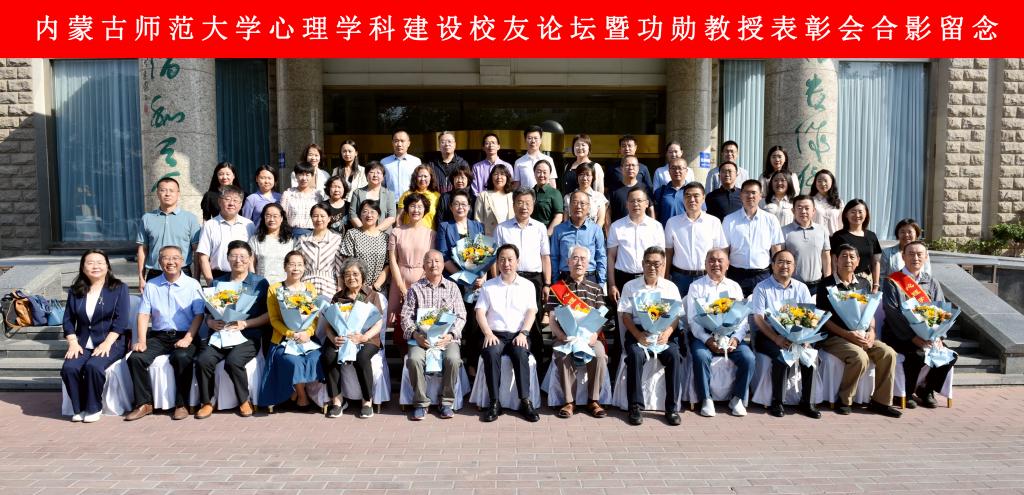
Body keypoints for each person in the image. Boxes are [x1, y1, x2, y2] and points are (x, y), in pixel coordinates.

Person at [816, 244, 901, 417]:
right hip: (835, 337)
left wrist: (872, 332)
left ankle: (881, 402)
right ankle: (844, 400)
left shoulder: (864, 283)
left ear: (858, 261)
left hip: (862, 335)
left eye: (852, 257)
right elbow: (824, 319)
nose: (848, 260)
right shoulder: (826, 284)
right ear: (835, 260)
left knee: (889, 353)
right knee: (859, 357)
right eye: (844, 256)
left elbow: (870, 312)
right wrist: (847, 334)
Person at [124, 246, 204, 421]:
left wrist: (188, 338)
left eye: (175, 258)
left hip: (185, 334)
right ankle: (144, 404)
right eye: (166, 258)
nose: (171, 262)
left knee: (181, 357)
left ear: (182, 261)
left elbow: (199, 315)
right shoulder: (152, 285)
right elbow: (143, 314)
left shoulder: (193, 285)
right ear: (159, 262)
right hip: (159, 336)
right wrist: (142, 340)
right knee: (136, 358)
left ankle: (182, 404)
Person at [194, 241, 269, 419]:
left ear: (250, 259)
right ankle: (207, 402)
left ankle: (244, 400)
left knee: (234, 361)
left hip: (247, 335)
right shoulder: (218, 282)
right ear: (227, 258)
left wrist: (246, 324)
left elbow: (268, 316)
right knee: (203, 360)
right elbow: (208, 312)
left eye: (242, 256)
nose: (238, 260)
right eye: (234, 256)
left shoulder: (259, 283)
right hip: (221, 334)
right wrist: (210, 323)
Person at [882, 241, 956, 409]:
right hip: (898, 334)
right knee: (917, 355)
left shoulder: (932, 282)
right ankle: (905, 393)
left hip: (929, 335)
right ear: (903, 256)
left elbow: (941, 311)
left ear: (926, 257)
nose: (915, 258)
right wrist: (912, 337)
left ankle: (926, 389)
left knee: (948, 356)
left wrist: (938, 336)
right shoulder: (892, 281)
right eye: (911, 254)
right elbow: (893, 313)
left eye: (919, 254)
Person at [61, 250, 131, 423]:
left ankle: (94, 408)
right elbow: (68, 320)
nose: (95, 266)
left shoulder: (119, 288)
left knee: (94, 366)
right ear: (83, 267)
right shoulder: (75, 290)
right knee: (69, 368)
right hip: (82, 342)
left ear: (107, 266)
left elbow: (121, 320)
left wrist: (107, 343)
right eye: (90, 262)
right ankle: (79, 408)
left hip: (111, 341)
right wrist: (73, 343)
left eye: (100, 262)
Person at [750, 250, 821, 419]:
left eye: (789, 263)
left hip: (798, 336)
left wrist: (805, 339)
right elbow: (758, 318)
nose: (785, 266)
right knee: (782, 357)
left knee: (810, 359)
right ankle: (777, 401)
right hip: (768, 336)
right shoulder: (762, 288)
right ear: (772, 265)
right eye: (780, 262)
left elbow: (809, 316)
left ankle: (807, 402)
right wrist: (776, 338)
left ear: (794, 267)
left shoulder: (801, 288)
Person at [619, 246, 685, 426]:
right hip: (639, 331)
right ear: (642, 264)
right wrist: (638, 334)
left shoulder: (670, 287)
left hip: (664, 332)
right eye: (648, 262)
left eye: (657, 263)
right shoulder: (630, 286)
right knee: (635, 355)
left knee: (674, 356)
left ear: (663, 265)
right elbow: (626, 316)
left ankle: (671, 408)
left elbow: (677, 315)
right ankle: (635, 407)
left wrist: (668, 332)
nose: (652, 267)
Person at [686, 248, 755, 418]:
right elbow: (693, 320)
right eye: (711, 260)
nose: (716, 264)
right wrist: (707, 340)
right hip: (704, 336)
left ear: (728, 264)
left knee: (748, 358)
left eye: (720, 260)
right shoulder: (696, 287)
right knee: (701, 356)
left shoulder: (734, 286)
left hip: (731, 336)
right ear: (705, 264)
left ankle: (737, 398)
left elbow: (742, 319)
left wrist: (736, 339)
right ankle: (706, 399)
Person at [475, 244, 540, 423]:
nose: (506, 264)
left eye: (510, 259)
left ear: (517, 261)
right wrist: (488, 333)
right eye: (502, 259)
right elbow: (480, 312)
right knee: (491, 352)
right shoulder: (488, 286)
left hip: (518, 334)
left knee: (520, 353)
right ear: (497, 262)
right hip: (495, 334)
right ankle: (494, 403)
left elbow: (531, 312)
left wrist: (524, 333)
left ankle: (525, 401)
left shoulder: (528, 285)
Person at [401, 250, 467, 420]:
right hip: (421, 339)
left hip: (447, 339)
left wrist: (451, 335)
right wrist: (415, 335)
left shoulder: (452, 288)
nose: (433, 265)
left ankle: (446, 403)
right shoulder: (415, 288)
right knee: (414, 360)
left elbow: (461, 315)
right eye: (429, 261)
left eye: (437, 261)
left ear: (443, 265)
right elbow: (406, 316)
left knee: (453, 359)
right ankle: (420, 403)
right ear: (423, 266)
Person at [318, 258, 386, 419]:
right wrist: (333, 338)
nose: (351, 278)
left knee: (362, 358)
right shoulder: (338, 297)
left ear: (363, 276)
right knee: (328, 356)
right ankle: (337, 401)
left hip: (367, 339)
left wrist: (364, 337)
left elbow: (378, 323)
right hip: (341, 338)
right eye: (347, 274)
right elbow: (328, 324)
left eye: (355, 274)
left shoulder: (372, 295)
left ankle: (367, 401)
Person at [548, 245, 609, 419]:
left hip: (590, 338)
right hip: (567, 337)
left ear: (588, 263)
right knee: (563, 355)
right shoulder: (557, 289)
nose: (579, 262)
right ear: (568, 262)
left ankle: (593, 400)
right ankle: (569, 402)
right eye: (575, 258)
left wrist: (595, 334)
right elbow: (552, 319)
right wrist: (561, 336)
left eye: (583, 259)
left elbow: (601, 317)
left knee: (599, 354)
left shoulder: (596, 289)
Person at [494, 188, 552, 363]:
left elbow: (545, 256)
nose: (524, 207)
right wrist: (496, 281)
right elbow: (495, 259)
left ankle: (536, 363)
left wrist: (547, 283)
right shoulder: (502, 228)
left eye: (527, 203)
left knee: (534, 322)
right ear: (513, 205)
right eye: (520, 202)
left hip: (534, 279)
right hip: (509, 278)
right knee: (511, 317)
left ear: (533, 205)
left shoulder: (540, 227)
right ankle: (514, 357)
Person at [260, 251, 321, 411]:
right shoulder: (275, 289)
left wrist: (308, 333)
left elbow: (314, 318)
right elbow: (274, 319)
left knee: (315, 358)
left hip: (306, 338)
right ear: (285, 267)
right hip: (283, 339)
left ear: (305, 268)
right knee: (294, 361)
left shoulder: (310, 288)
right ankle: (301, 395)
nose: (296, 268)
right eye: (292, 264)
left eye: (300, 265)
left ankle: (295, 392)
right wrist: (291, 334)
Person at [438, 189, 486, 375]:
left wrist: (482, 276)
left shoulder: (478, 226)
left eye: (464, 204)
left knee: (474, 324)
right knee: (455, 322)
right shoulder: (445, 227)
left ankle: (472, 363)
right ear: (451, 207)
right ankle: (454, 363)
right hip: (454, 282)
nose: (460, 207)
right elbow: (444, 256)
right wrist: (465, 277)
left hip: (475, 284)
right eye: (456, 204)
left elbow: (485, 255)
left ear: (469, 207)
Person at [387, 193, 437, 342]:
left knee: (422, 321)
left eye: (420, 207)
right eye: (413, 206)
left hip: (423, 281)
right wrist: (401, 287)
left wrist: (419, 286)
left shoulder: (431, 234)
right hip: (400, 279)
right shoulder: (396, 232)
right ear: (407, 209)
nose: (416, 210)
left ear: (425, 210)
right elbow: (393, 260)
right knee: (398, 323)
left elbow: (431, 262)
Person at [664, 182, 728, 297]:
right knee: (678, 308)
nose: (692, 199)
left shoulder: (714, 222)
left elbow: (721, 252)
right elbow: (668, 252)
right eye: (688, 196)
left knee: (707, 308)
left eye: (696, 196)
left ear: (703, 198)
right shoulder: (672, 222)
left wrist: (722, 277)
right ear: (683, 199)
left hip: (706, 277)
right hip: (679, 278)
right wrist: (665, 277)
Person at [136, 177, 200, 290]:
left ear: (178, 193)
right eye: (163, 190)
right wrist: (141, 278)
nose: (167, 194)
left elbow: (197, 251)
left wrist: (196, 278)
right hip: (155, 273)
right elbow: (142, 250)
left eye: (171, 190)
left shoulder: (190, 218)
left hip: (182, 272)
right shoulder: (147, 218)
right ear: (157, 193)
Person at [722, 180, 784, 297]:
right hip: (736, 275)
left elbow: (776, 250)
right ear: (741, 195)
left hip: (763, 276)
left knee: (763, 307)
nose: (750, 196)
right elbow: (724, 251)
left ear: (760, 196)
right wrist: (723, 277)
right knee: (735, 307)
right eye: (746, 192)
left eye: (754, 193)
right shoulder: (729, 220)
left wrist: (777, 275)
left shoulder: (771, 220)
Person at [608, 187, 666, 306]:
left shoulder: (656, 227)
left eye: (639, 201)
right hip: (622, 279)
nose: (636, 204)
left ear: (646, 203)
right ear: (626, 204)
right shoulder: (616, 226)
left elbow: (662, 258)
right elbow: (611, 257)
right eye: (632, 201)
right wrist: (612, 284)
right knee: (623, 314)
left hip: (648, 278)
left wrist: (660, 283)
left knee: (649, 314)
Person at [196, 185, 257, 285]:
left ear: (241, 204)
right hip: (218, 277)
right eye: (227, 199)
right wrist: (210, 282)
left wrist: (252, 279)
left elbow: (252, 256)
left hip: (244, 277)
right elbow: (203, 256)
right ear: (219, 201)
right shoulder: (210, 225)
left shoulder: (249, 225)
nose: (231, 203)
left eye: (235, 200)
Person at [550, 191, 607, 286]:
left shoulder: (596, 229)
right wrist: (555, 281)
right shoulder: (558, 230)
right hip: (565, 279)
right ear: (569, 206)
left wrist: (601, 282)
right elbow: (554, 257)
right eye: (575, 202)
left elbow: (601, 256)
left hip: (589, 278)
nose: (578, 206)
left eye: (582, 203)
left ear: (588, 207)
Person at [782, 195, 832, 296]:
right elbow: (780, 259)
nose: (803, 211)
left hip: (817, 286)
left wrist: (828, 282)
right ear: (793, 211)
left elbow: (826, 257)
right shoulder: (784, 231)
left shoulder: (822, 230)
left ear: (813, 211)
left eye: (807, 208)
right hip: (792, 286)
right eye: (799, 208)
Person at [830, 199, 883, 293]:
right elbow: (834, 261)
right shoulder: (838, 236)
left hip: (866, 281)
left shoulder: (871, 236)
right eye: (853, 212)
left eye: (860, 212)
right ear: (846, 214)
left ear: (866, 214)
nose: (857, 215)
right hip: (844, 281)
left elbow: (876, 262)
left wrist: (876, 285)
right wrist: (835, 281)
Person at [294, 203, 345, 298]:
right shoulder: (302, 240)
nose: (319, 219)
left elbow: (339, 268)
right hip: (306, 286)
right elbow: (296, 265)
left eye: (322, 216)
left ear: (329, 218)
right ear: (311, 218)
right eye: (315, 216)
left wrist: (340, 289)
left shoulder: (336, 240)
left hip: (329, 287)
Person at [341, 200, 390, 293]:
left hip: (378, 289)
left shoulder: (385, 237)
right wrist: (361, 286)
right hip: (356, 288)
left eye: (373, 212)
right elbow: (347, 262)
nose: (369, 215)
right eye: (365, 211)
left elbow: (387, 264)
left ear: (378, 215)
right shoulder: (352, 234)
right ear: (360, 215)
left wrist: (376, 285)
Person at [249, 203, 294, 286]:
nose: (271, 219)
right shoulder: (255, 240)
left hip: (283, 286)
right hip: (261, 285)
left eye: (275, 216)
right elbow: (251, 264)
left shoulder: (290, 241)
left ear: (281, 218)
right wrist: (253, 282)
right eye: (268, 216)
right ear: (263, 218)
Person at [281, 161, 327, 237]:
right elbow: (282, 216)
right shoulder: (288, 194)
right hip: (292, 234)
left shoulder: (318, 195)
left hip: (312, 234)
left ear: (312, 176)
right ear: (296, 175)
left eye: (307, 175)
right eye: (301, 174)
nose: (304, 178)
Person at [349, 160, 398, 232]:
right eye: (371, 172)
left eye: (378, 173)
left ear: (383, 177)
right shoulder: (357, 192)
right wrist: (364, 231)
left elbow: (391, 217)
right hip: (361, 233)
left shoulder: (389, 194)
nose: (375, 175)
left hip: (384, 233)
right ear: (366, 175)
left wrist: (375, 231)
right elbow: (352, 214)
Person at [608, 155, 655, 223]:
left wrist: (652, 226)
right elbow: (608, 211)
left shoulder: (645, 188)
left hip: (642, 227)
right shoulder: (613, 189)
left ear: (638, 168)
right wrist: (609, 228)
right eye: (627, 165)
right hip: (619, 227)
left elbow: (651, 210)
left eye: (633, 165)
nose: (630, 168)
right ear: (621, 168)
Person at [473, 163, 515, 236]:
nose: (499, 177)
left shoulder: (512, 196)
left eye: (502, 174)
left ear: (507, 177)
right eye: (496, 174)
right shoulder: (483, 195)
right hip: (490, 238)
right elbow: (478, 220)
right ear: (491, 177)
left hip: (509, 237)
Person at [562, 162, 607, 227]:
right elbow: (566, 220)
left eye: (588, 175)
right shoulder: (568, 197)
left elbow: (601, 219)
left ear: (593, 177)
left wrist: (594, 232)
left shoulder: (599, 197)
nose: (585, 178)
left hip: (593, 232)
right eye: (581, 174)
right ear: (577, 177)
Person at [383, 129, 423, 200]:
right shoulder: (384, 162)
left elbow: (420, 184)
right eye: (396, 141)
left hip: (411, 202)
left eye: (402, 141)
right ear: (392, 143)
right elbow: (382, 185)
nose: (399, 144)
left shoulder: (416, 162)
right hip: (390, 203)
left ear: (408, 143)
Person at [397, 164, 441, 228]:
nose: (422, 179)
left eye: (425, 176)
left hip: (429, 233)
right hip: (408, 232)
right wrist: (399, 232)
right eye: (420, 176)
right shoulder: (406, 194)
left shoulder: (436, 196)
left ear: (431, 178)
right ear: (415, 178)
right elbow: (399, 218)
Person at [652, 158, 691, 226]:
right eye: (673, 168)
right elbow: (655, 214)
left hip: (687, 230)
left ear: (686, 171)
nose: (677, 171)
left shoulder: (692, 191)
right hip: (666, 230)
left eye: (680, 168)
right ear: (669, 171)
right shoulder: (660, 192)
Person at [530, 160, 564, 236]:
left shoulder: (555, 193)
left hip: (547, 233)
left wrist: (547, 235)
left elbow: (558, 217)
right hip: (530, 233)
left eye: (545, 172)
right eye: (538, 172)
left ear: (549, 174)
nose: (542, 175)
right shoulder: (529, 192)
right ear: (534, 173)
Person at [811, 169, 843, 236]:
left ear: (832, 182)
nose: (823, 184)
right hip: (815, 237)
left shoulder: (839, 202)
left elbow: (842, 223)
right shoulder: (810, 201)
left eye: (825, 181)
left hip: (834, 238)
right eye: (819, 181)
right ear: (815, 183)